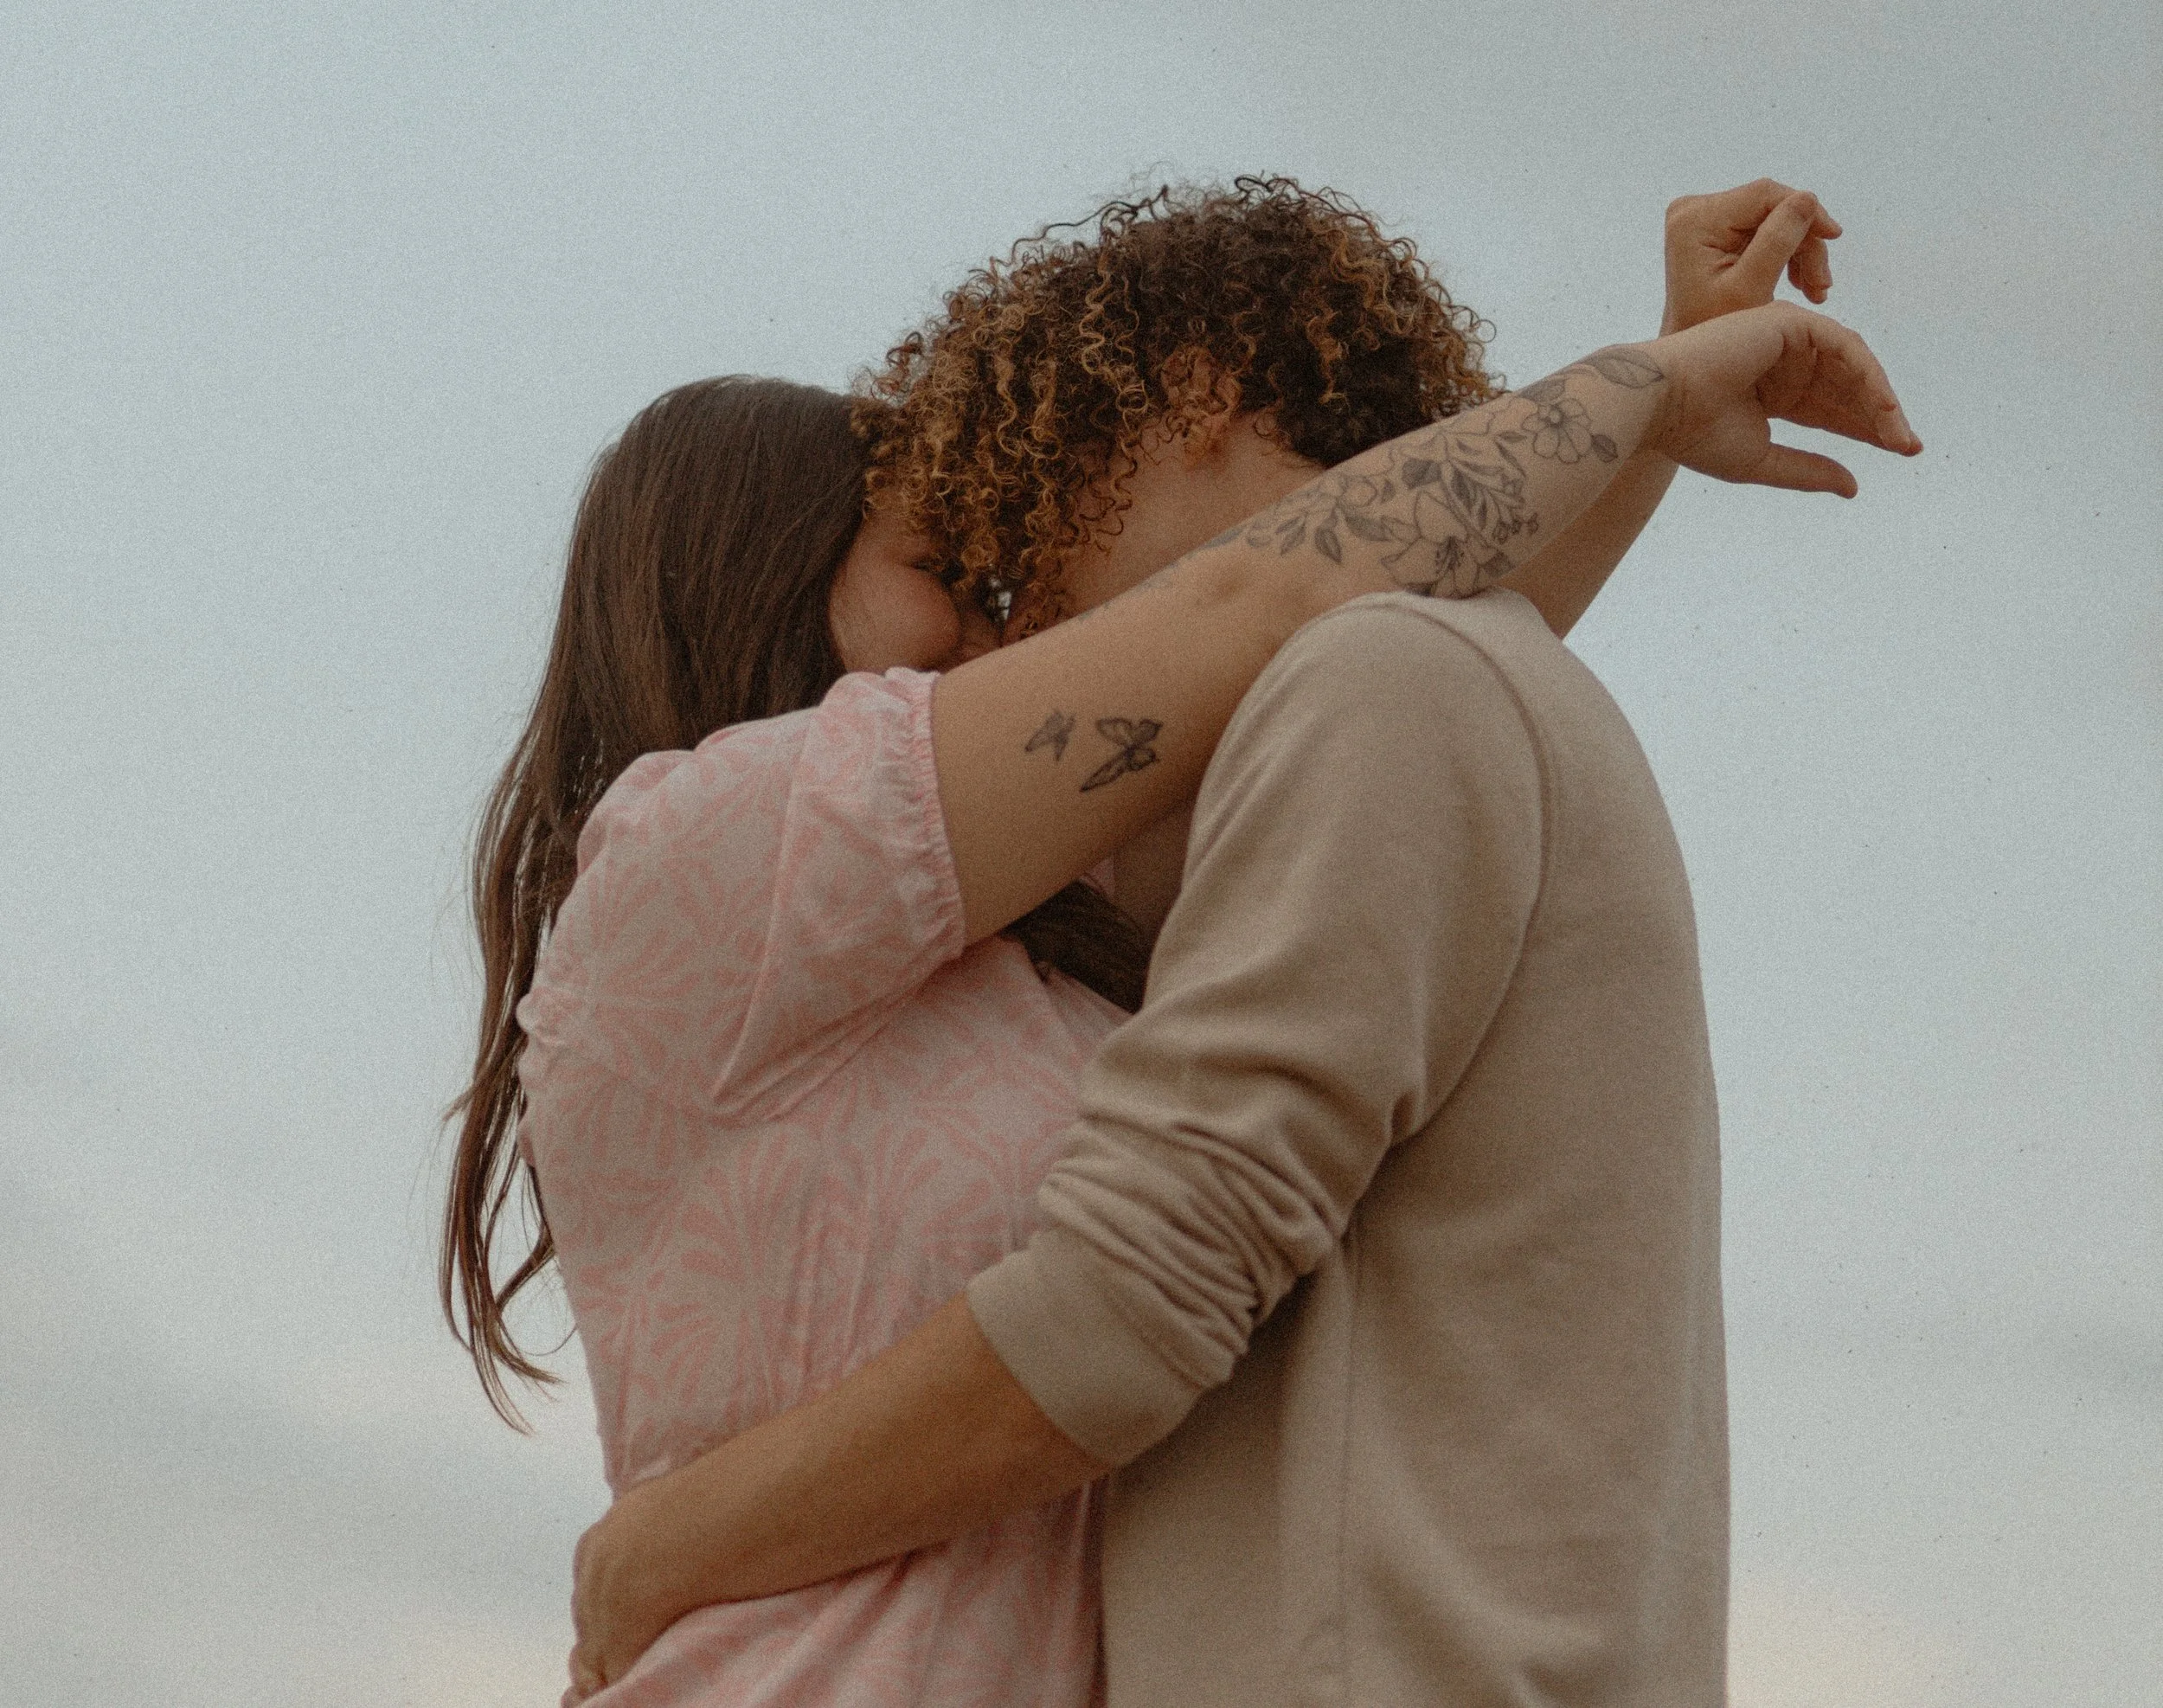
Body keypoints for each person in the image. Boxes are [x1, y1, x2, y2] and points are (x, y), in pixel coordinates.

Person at [440, 180, 1909, 1708]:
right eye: (951, 565)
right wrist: (1652, 387)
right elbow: (1274, 610)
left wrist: (1655, 414)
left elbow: (1384, 726)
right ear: (758, 582)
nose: (1006, 631)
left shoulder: (976, 953)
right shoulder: (699, 851)